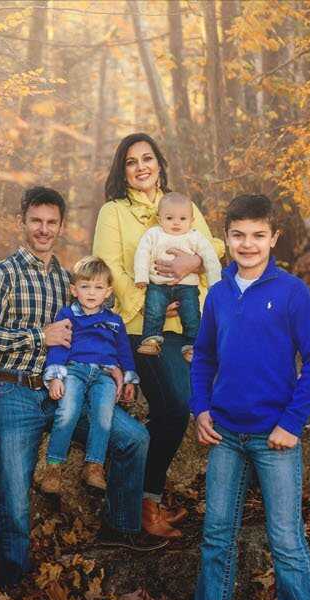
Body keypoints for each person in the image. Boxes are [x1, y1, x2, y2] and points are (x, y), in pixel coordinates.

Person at [0, 186, 164, 591]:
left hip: (68, 388)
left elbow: (97, 327)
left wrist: (112, 366)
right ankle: (14, 583)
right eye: (36, 221)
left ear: (60, 226)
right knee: (15, 495)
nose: (43, 229)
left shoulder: (69, 279)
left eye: (51, 222)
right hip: (14, 391)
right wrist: (40, 336)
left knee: (134, 438)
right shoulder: (2, 273)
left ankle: (119, 529)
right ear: (22, 222)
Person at [189, 194, 310, 600]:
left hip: (276, 438)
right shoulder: (219, 294)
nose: (247, 244)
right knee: (217, 532)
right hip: (225, 434)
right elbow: (204, 357)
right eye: (238, 235)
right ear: (226, 238)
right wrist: (200, 408)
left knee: (285, 538)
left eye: (257, 235)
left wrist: (292, 422)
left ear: (274, 238)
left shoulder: (292, 292)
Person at [91, 132, 224, 538]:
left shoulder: (182, 205)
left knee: (178, 408)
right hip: (140, 328)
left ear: (159, 163)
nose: (141, 167)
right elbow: (109, 267)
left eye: (147, 158)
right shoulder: (113, 212)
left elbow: (212, 249)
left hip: (185, 325)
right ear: (123, 171)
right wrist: (150, 302)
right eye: (131, 162)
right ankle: (141, 504)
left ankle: (142, 502)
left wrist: (195, 269)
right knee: (177, 405)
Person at [43, 257, 138, 490]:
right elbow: (59, 345)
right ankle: (54, 466)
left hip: (105, 375)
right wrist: (55, 376)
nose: (92, 293)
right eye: (85, 286)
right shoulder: (67, 315)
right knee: (68, 411)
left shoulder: (114, 321)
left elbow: (124, 352)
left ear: (108, 292)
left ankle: (94, 466)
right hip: (74, 370)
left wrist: (129, 379)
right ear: (74, 290)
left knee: (103, 415)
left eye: (98, 287)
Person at [131, 192, 221, 361]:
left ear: (191, 220)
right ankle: (151, 339)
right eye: (169, 218)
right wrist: (141, 276)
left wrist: (214, 283)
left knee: (191, 315)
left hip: (187, 287)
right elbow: (142, 253)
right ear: (160, 219)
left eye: (182, 218)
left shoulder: (195, 236)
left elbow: (210, 257)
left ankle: (193, 345)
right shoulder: (153, 234)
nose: (176, 223)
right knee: (154, 310)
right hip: (158, 285)